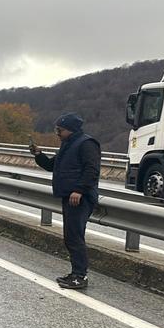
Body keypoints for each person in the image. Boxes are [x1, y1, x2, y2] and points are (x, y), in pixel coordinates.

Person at [29, 113, 101, 290]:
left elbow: (92, 170)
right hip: (69, 196)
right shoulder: (68, 145)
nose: (57, 133)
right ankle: (75, 273)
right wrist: (39, 154)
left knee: (75, 237)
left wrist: (79, 190)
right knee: (71, 237)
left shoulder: (86, 144)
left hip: (80, 198)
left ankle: (80, 276)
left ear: (70, 129)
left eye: (59, 130)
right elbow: (52, 166)